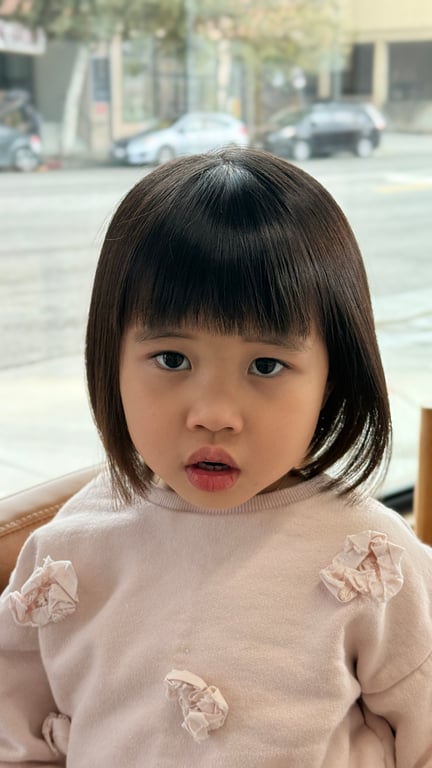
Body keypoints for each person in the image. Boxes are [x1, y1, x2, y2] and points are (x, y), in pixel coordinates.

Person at [0, 148, 431, 767]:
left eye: (266, 366)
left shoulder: (373, 563)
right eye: (173, 359)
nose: (214, 414)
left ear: (332, 378)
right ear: (110, 360)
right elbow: (15, 735)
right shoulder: (67, 553)